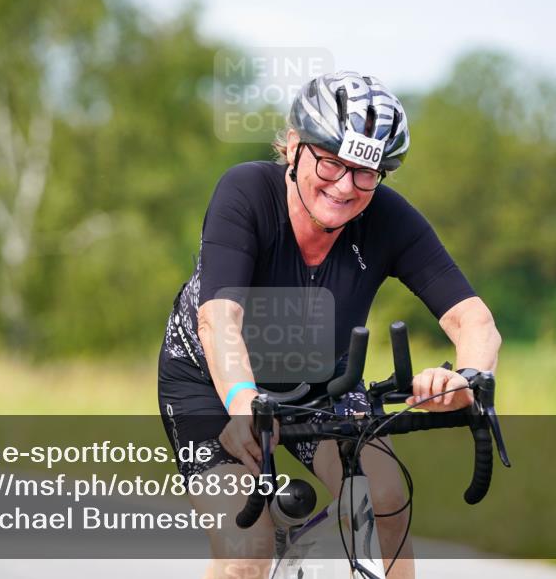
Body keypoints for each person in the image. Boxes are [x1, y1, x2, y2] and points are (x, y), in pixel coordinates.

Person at [158, 71, 501, 579]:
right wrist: (243, 404)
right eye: (332, 162)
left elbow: (473, 319)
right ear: (295, 146)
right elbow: (218, 319)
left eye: (366, 172)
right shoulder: (246, 192)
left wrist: (465, 378)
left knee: (385, 498)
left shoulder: (388, 218)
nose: (345, 187)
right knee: (246, 547)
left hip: (322, 380)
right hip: (212, 384)